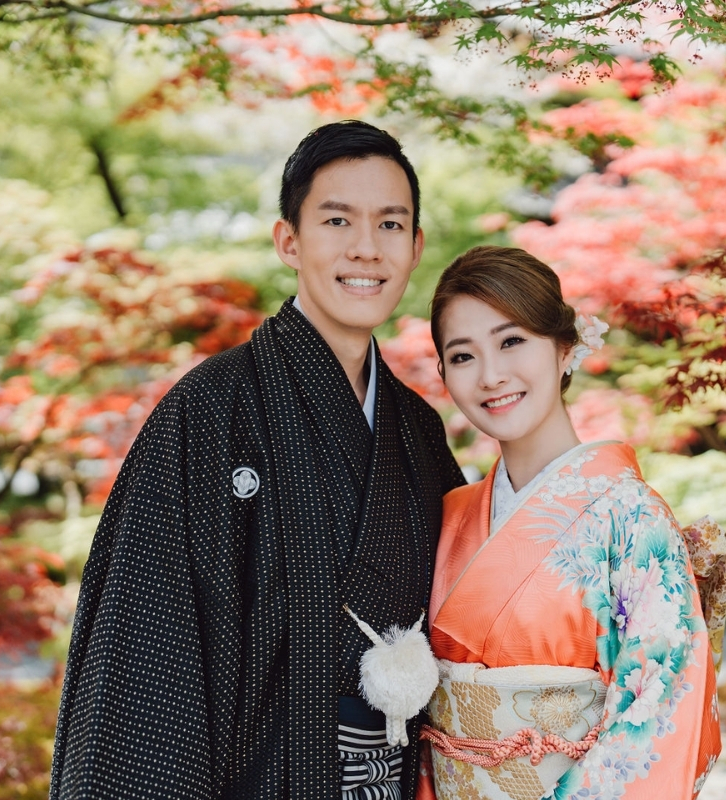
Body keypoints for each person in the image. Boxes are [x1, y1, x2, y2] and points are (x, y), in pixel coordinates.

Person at [50, 121, 466, 800]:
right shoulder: (210, 411)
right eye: (338, 220)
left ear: (416, 247)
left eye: (391, 225)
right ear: (290, 242)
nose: (367, 248)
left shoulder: (417, 431)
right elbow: (147, 654)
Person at [418, 246, 726, 800]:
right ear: (444, 373)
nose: (491, 375)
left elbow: (664, 712)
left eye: (512, 341)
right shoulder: (452, 513)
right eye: (463, 356)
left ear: (566, 349)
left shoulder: (632, 517)